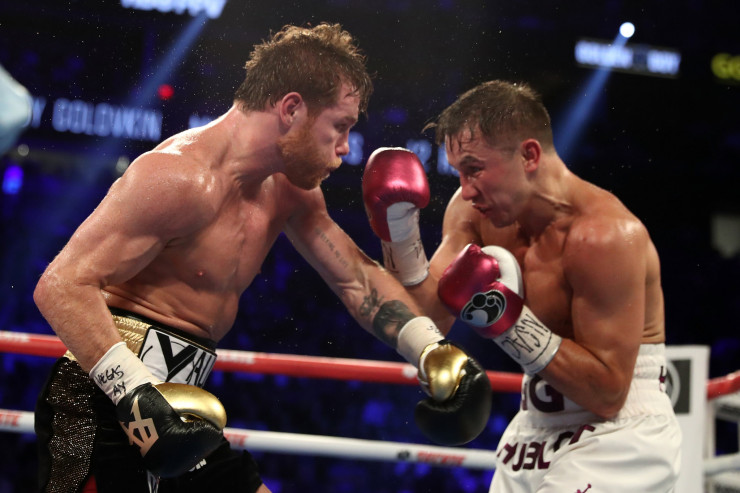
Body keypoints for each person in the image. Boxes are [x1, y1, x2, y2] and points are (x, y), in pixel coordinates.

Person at [32, 23, 492, 493]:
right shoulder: (177, 178)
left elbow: (356, 279)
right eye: (340, 126)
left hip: (180, 408)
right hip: (105, 402)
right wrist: (135, 395)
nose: (344, 148)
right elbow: (61, 285)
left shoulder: (289, 189)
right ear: (291, 109)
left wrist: (430, 348)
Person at [362, 80, 681, 492]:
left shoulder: (605, 236)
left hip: (620, 429)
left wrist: (507, 322)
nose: (465, 189)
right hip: (536, 423)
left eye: (475, 169)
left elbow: (607, 393)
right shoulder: (474, 213)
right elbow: (427, 323)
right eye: (459, 172)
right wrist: (400, 236)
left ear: (529, 155)